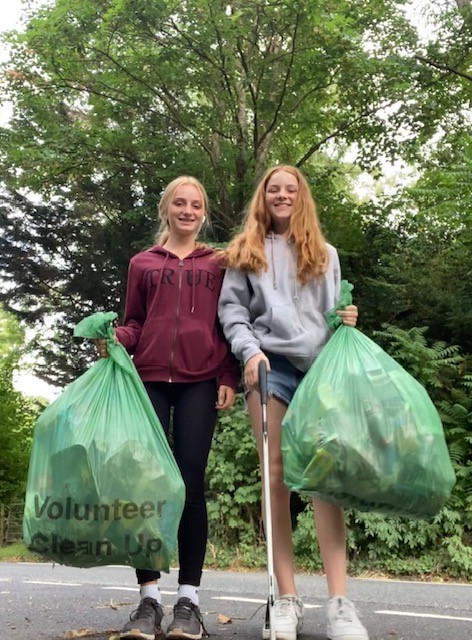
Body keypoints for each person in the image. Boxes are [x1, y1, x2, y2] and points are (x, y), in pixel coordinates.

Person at [217, 165, 369, 640]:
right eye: (273, 189)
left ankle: (340, 603)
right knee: (276, 479)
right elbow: (233, 312)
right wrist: (250, 351)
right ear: (263, 197)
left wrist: (347, 317)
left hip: (320, 371)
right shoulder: (246, 251)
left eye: (291, 189)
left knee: (325, 482)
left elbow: (333, 315)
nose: (282, 195)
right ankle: (286, 597)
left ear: (301, 198)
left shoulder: (325, 253)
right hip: (269, 367)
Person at [96, 176, 240, 640]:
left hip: (201, 382)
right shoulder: (143, 263)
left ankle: (189, 602)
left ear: (204, 212)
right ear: (166, 209)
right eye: (179, 203)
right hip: (149, 382)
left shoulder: (219, 262)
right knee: (148, 485)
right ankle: (147, 601)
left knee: (190, 482)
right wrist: (115, 338)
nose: (187, 210)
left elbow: (227, 322)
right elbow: (136, 322)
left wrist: (228, 376)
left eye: (195, 204)